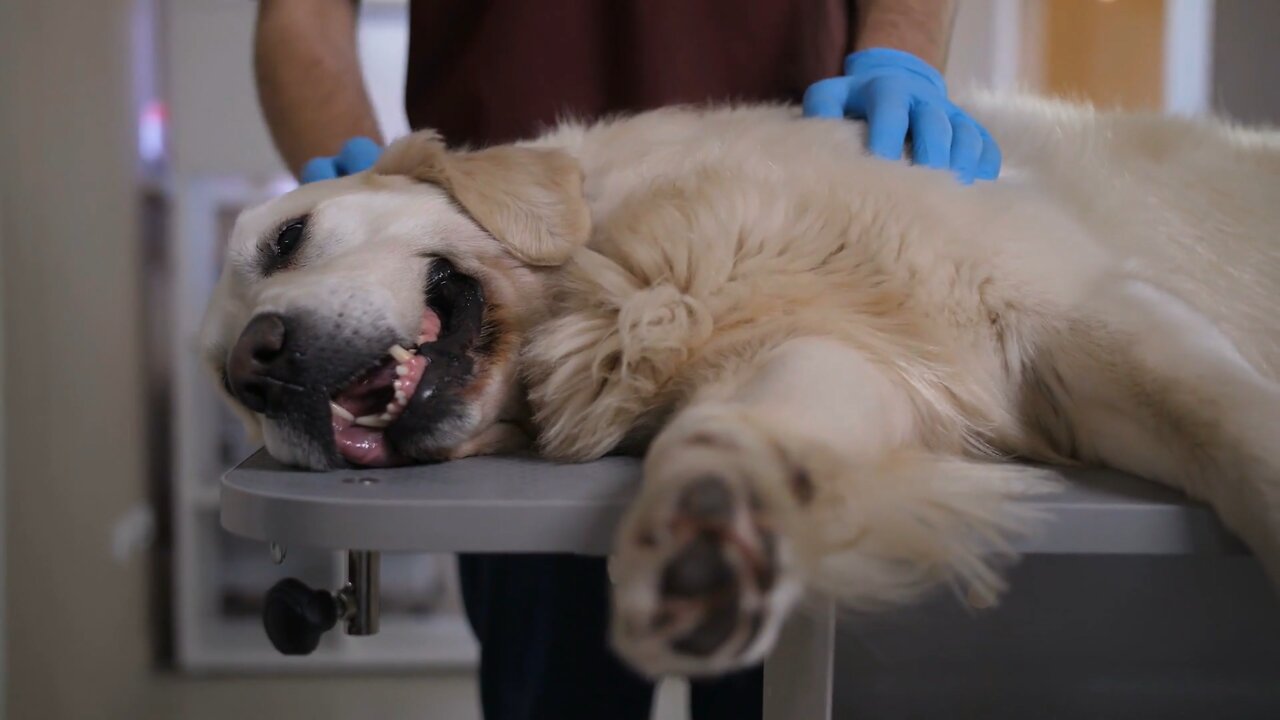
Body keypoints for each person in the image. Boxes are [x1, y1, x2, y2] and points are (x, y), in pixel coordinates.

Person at [253, 2, 1000, 718]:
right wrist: (351, 191)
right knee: (552, 692)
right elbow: (302, 12)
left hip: (786, 234)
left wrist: (899, 55)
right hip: (507, 313)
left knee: (787, 690)